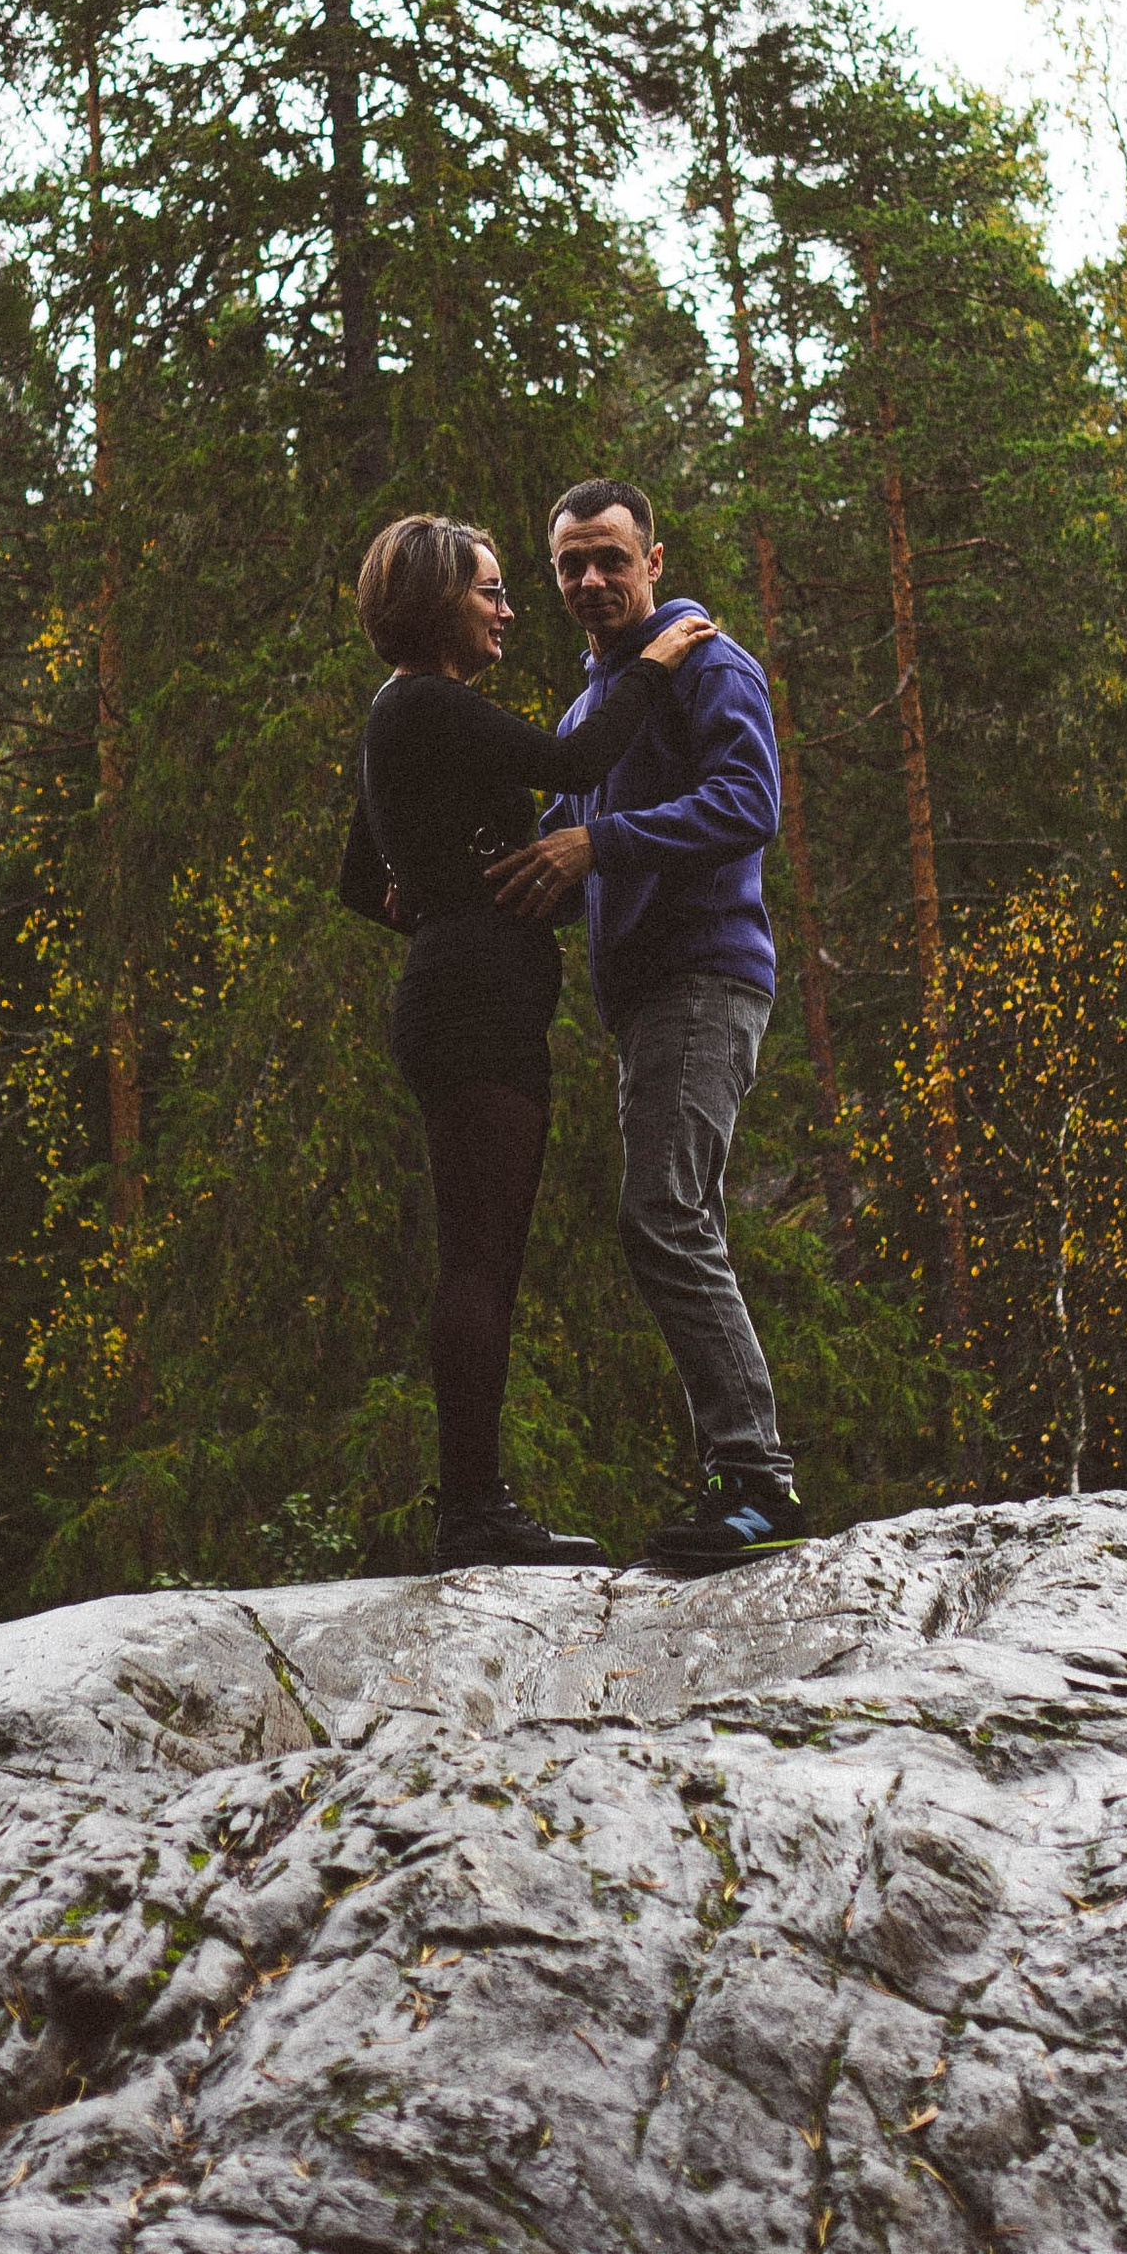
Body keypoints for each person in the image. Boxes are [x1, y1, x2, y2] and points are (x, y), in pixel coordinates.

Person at [338, 511, 719, 1571]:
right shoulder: (429, 702)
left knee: (481, 1257)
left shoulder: (397, 715)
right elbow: (577, 757)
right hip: (477, 1008)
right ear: (436, 603)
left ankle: (475, 1503)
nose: (509, 610)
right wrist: (651, 663)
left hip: (456, 995)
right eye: (491, 590)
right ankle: (472, 1511)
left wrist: (446, 897)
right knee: (480, 1262)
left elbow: (359, 882)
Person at [481, 479, 810, 1577]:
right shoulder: (589, 714)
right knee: (670, 1214)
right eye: (569, 564)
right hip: (644, 1000)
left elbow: (750, 803)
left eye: (610, 559)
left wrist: (600, 843)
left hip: (705, 974)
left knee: (664, 1213)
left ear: (653, 562)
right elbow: (553, 860)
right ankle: (743, 1475)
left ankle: (756, 1482)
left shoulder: (709, 664)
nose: (590, 580)